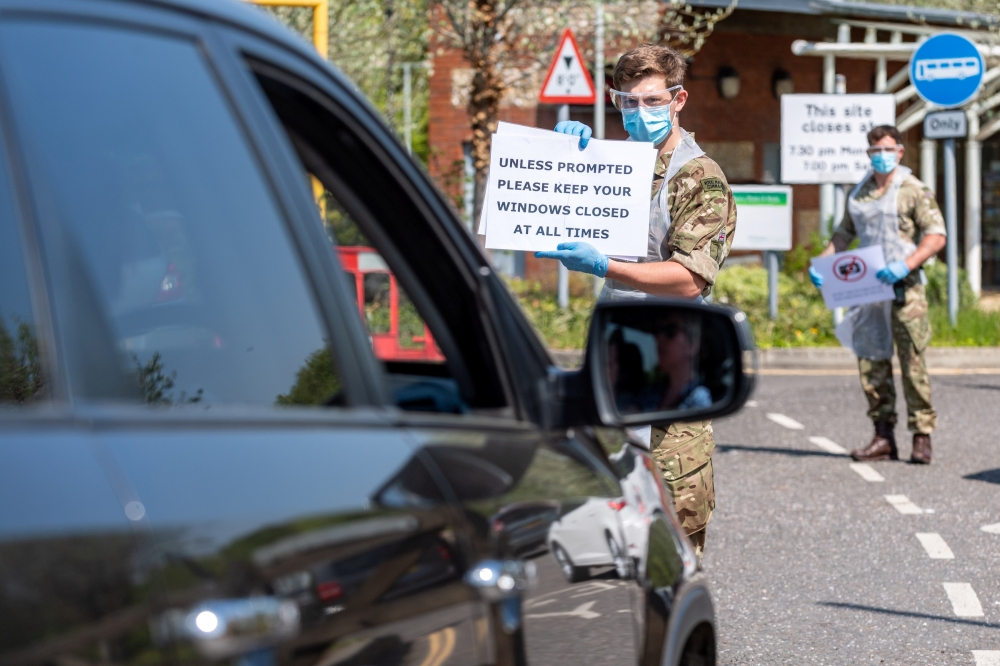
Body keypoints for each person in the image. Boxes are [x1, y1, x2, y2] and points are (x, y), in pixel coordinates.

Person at [535, 43, 736, 559]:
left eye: (651, 101)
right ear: (614, 101)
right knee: (608, 533)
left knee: (674, 540)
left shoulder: (698, 176)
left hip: (672, 375)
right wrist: (566, 158)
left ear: (678, 100)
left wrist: (606, 266)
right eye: (628, 102)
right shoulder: (615, 163)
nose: (639, 113)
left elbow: (691, 277)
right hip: (617, 361)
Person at [809, 125, 946, 464]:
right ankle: (883, 436)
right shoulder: (859, 193)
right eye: (875, 151)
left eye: (887, 150)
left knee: (912, 362)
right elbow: (843, 235)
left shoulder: (913, 189)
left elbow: (936, 235)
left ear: (899, 152)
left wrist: (906, 264)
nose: (881, 156)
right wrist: (823, 264)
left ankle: (921, 437)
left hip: (905, 288)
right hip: (867, 288)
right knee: (871, 363)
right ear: (868, 153)